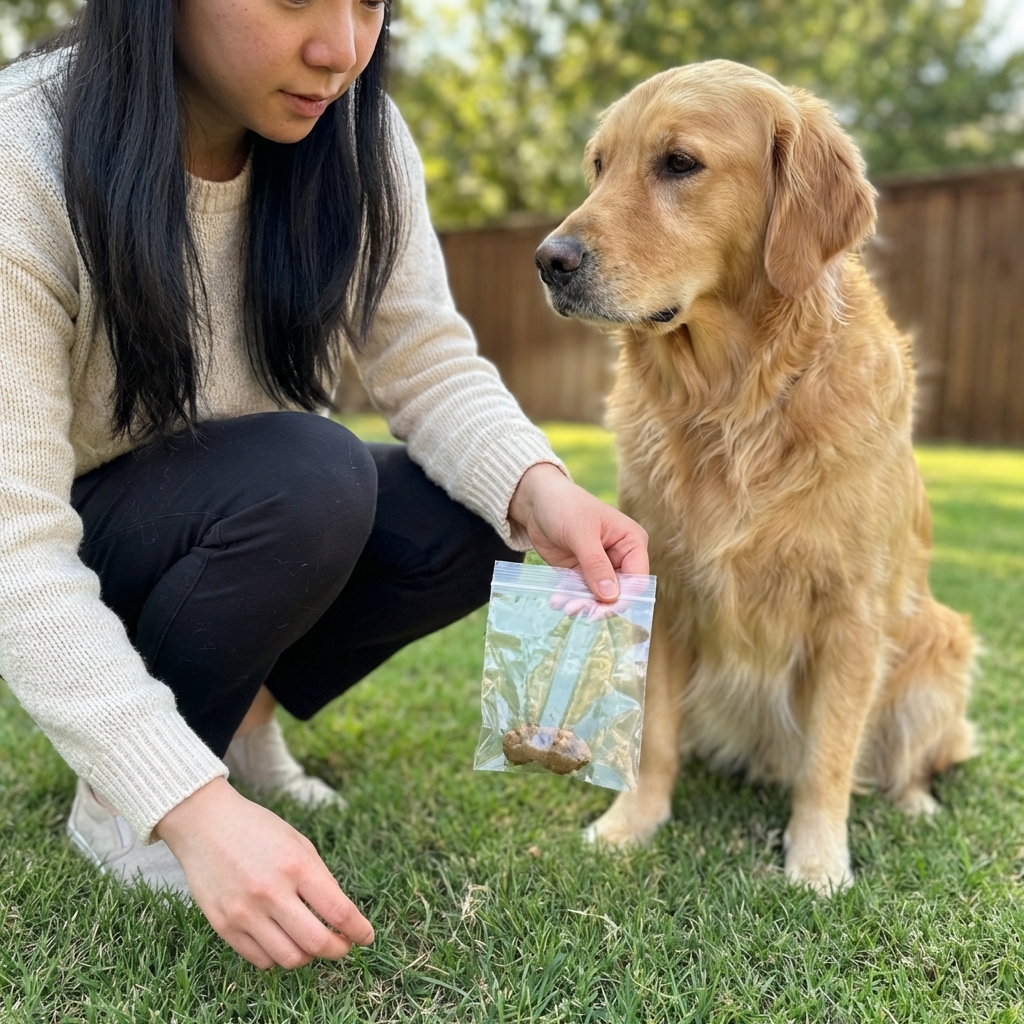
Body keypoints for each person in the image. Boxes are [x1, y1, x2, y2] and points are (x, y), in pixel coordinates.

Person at [0, 0, 648, 972]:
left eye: (368, 2)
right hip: (100, 543)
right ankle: (118, 809)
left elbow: (426, 364)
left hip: (246, 505)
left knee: (476, 512)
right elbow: (14, 540)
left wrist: (539, 488)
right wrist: (188, 808)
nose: (342, 49)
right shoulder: (25, 154)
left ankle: (240, 722)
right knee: (312, 476)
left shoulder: (359, 135)